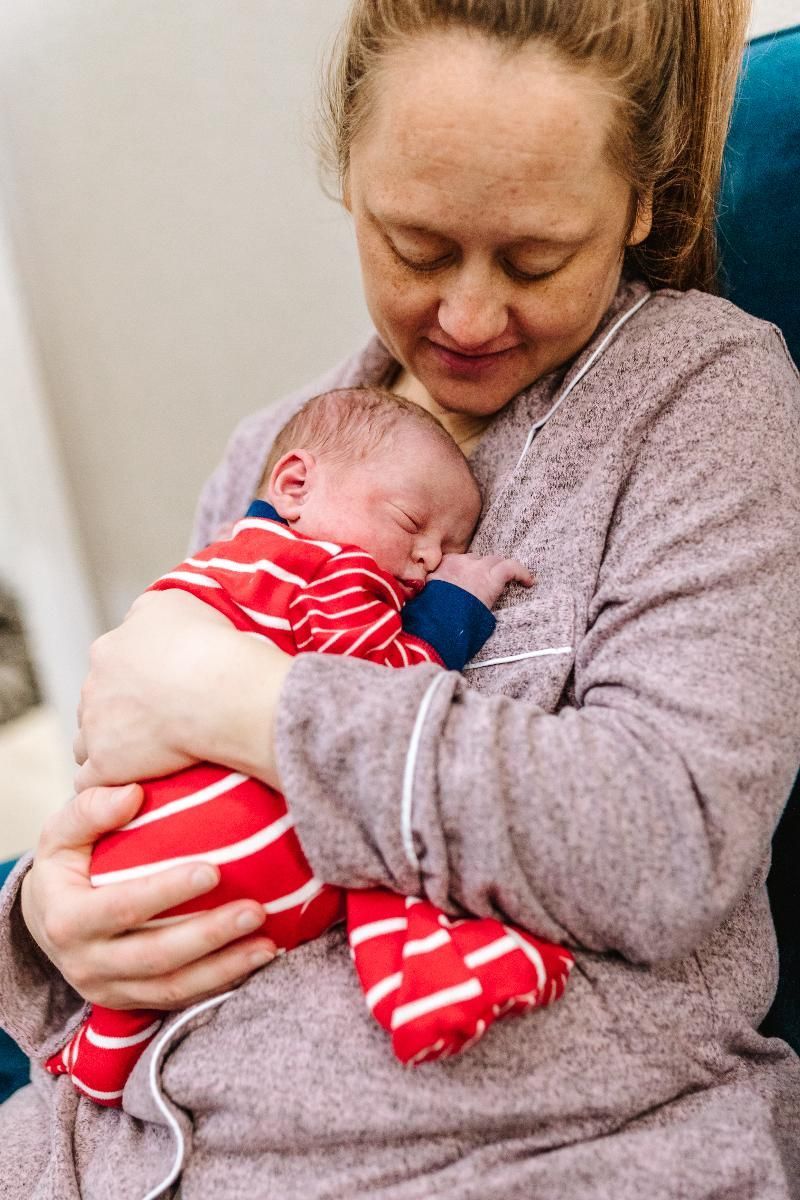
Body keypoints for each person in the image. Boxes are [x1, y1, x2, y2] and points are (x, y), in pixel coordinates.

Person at [2, 0, 799, 1196]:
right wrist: (53, 921)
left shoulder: (703, 402)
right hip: (111, 1144)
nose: (467, 318)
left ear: (634, 203)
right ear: (349, 183)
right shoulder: (274, 453)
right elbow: (149, 789)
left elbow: (668, 839)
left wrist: (251, 702)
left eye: (534, 260)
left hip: (517, 1157)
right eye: (415, 248)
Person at [46, 386, 570, 1106]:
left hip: (135, 858)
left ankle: (97, 1062)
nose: (424, 561)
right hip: (221, 861)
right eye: (413, 525)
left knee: (125, 1010)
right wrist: (456, 604)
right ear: (295, 485)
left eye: (448, 549)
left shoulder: (228, 562)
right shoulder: (328, 567)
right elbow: (372, 689)